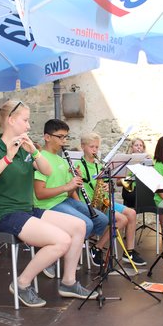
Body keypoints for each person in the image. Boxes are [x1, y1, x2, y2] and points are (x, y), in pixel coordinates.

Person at [0, 100, 98, 308]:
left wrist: (33, 150)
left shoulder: (24, 147)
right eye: (25, 120)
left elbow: (46, 170)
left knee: (79, 226)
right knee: (61, 241)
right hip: (5, 214)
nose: (28, 125)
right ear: (11, 120)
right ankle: (22, 284)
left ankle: (68, 283)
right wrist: (8, 157)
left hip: (27, 210)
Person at [33, 119, 110, 277]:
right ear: (47, 137)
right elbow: (40, 194)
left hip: (64, 200)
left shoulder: (61, 160)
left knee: (102, 220)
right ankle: (52, 257)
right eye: (60, 137)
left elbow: (68, 192)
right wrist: (67, 187)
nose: (64, 141)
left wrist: (75, 182)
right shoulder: (41, 159)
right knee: (86, 224)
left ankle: (66, 247)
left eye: (66, 137)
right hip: (48, 205)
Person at [75, 132, 146, 266]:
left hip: (103, 201)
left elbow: (108, 185)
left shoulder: (99, 166)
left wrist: (108, 187)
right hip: (90, 204)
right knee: (122, 219)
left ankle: (129, 252)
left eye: (97, 147)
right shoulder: (79, 166)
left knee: (132, 213)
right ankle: (97, 247)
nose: (95, 150)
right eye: (91, 147)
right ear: (83, 147)